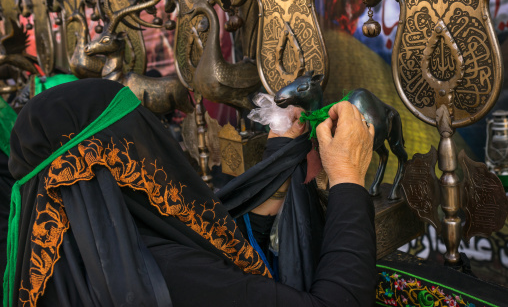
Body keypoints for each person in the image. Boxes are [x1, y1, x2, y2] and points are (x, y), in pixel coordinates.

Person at [4, 79, 376, 307]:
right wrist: (347, 174)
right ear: (117, 157)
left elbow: (220, 268)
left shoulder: (57, 269)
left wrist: (273, 180)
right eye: (140, 131)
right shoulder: (160, 275)